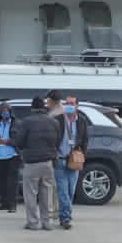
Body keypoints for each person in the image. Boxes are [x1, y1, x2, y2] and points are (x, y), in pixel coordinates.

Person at [13, 96, 62, 232]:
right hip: (48, 163)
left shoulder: (27, 122)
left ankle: (34, 223)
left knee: (30, 194)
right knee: (47, 193)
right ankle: (48, 223)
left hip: (32, 163)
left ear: (32, 108)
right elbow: (58, 142)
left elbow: (20, 142)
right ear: (44, 107)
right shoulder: (54, 122)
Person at [53, 96, 91, 231]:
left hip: (74, 161)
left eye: (72, 103)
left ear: (77, 105)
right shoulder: (58, 120)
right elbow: (52, 140)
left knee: (70, 191)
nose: (69, 105)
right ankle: (66, 218)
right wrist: (54, 155)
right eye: (67, 103)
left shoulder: (81, 121)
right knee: (62, 191)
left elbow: (85, 139)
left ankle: (65, 213)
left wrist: (82, 154)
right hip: (60, 160)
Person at [0, 103, 21, 212]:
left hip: (12, 156)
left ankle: (13, 205)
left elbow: (19, 141)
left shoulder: (16, 123)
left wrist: (7, 141)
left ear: (10, 112)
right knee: (2, 181)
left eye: (6, 110)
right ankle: (4, 203)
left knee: (12, 182)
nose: (5, 113)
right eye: (3, 111)